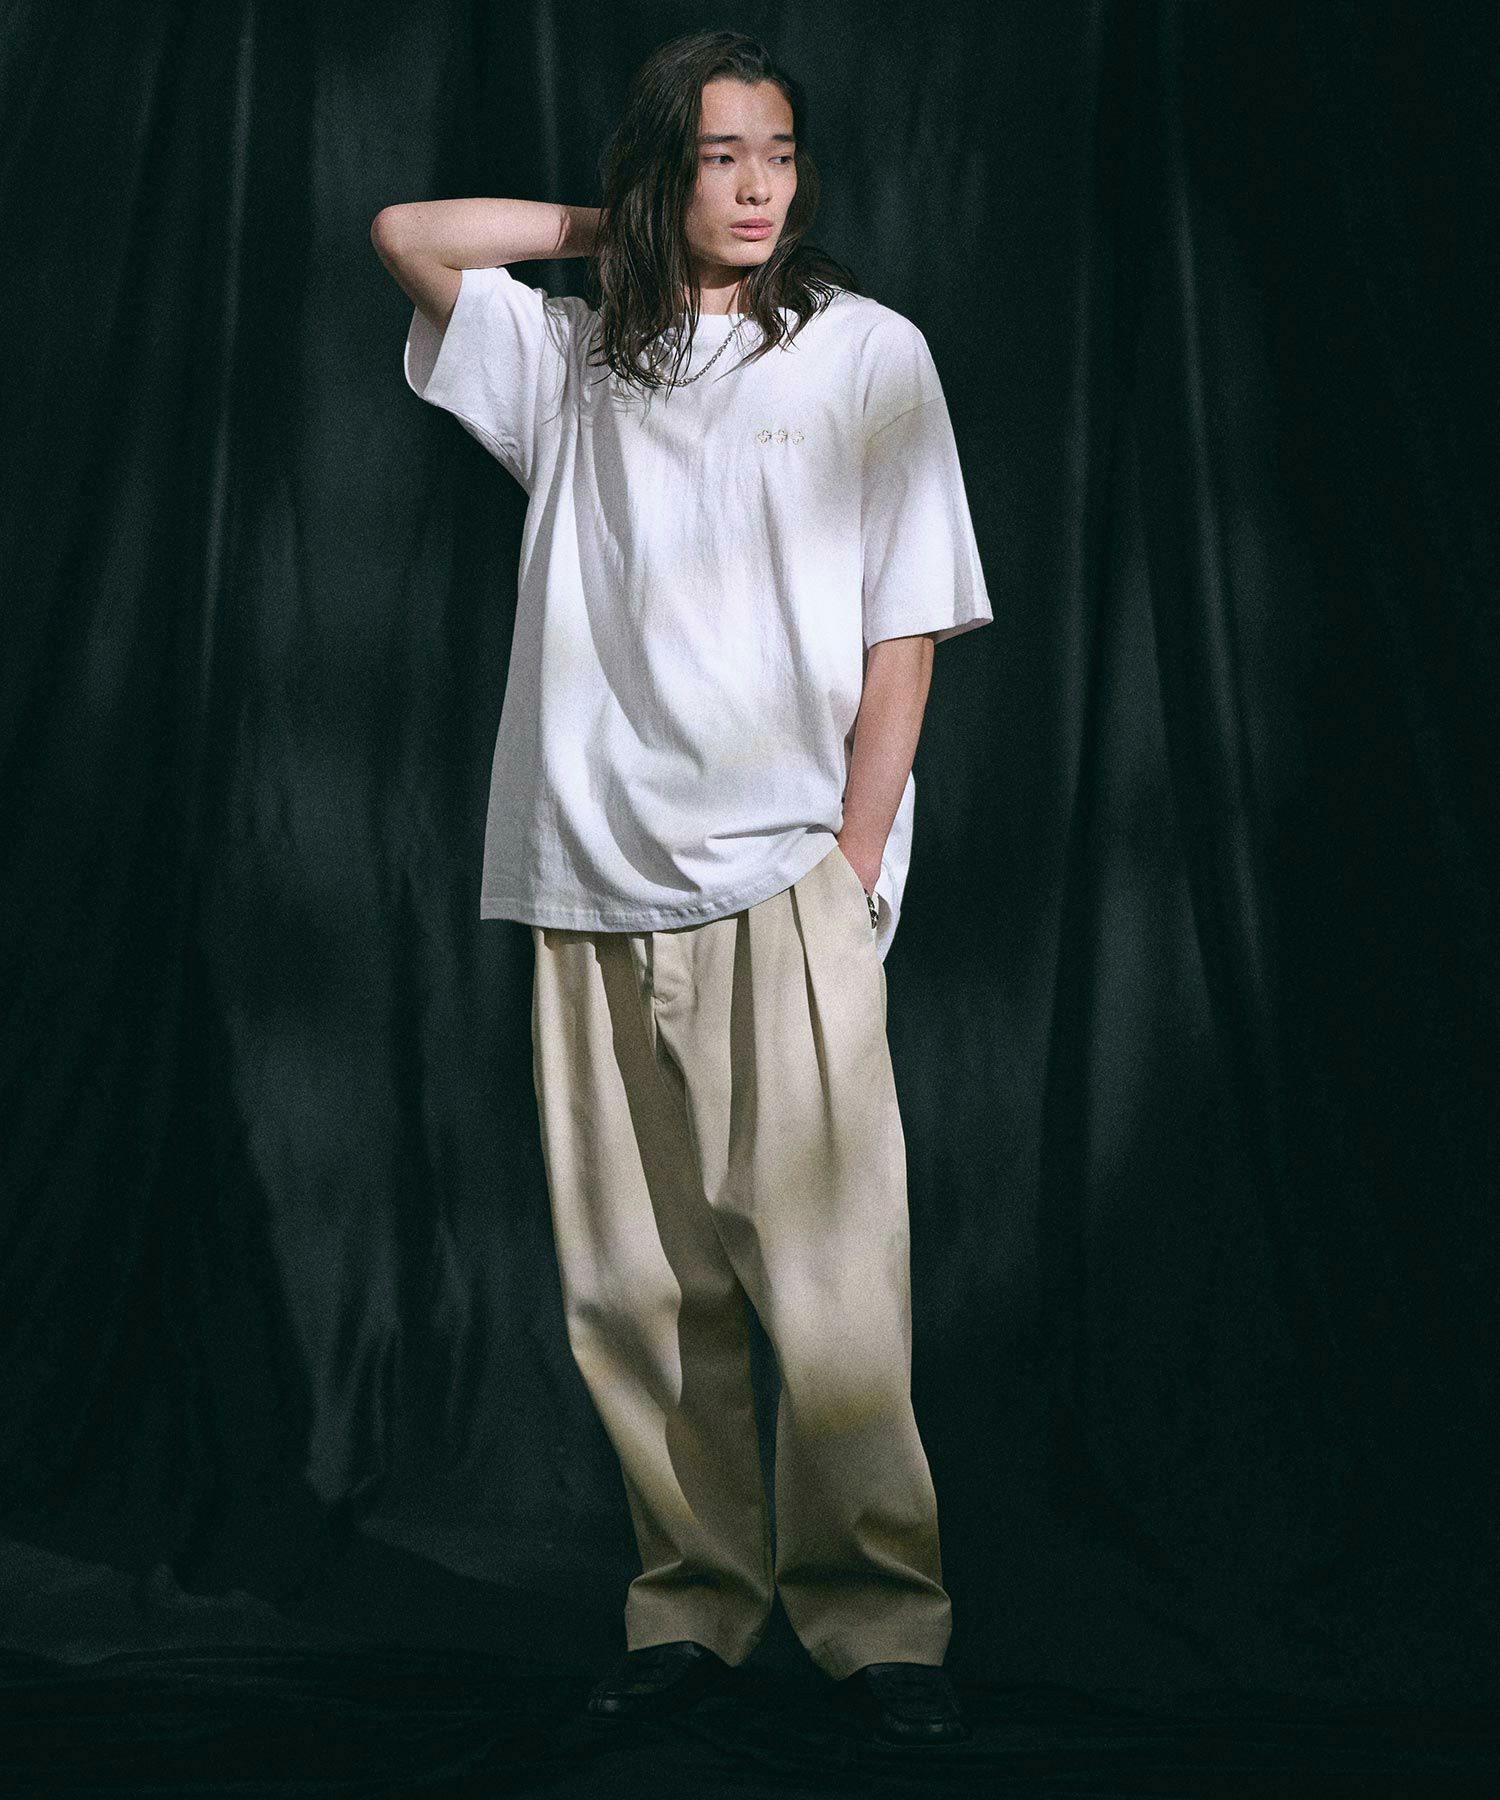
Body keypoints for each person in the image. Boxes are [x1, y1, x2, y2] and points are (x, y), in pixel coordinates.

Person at [371, 26, 991, 1749]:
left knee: (833, 1285)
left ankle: (881, 1629)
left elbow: (908, 628)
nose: (759, 188)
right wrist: (620, 230)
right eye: (718, 158)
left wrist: (852, 860)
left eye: (777, 155)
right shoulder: (575, 358)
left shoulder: (869, 353)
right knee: (639, 1295)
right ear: (665, 173)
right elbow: (409, 235)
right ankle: (694, 1608)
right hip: (585, 874)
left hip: (782, 875)